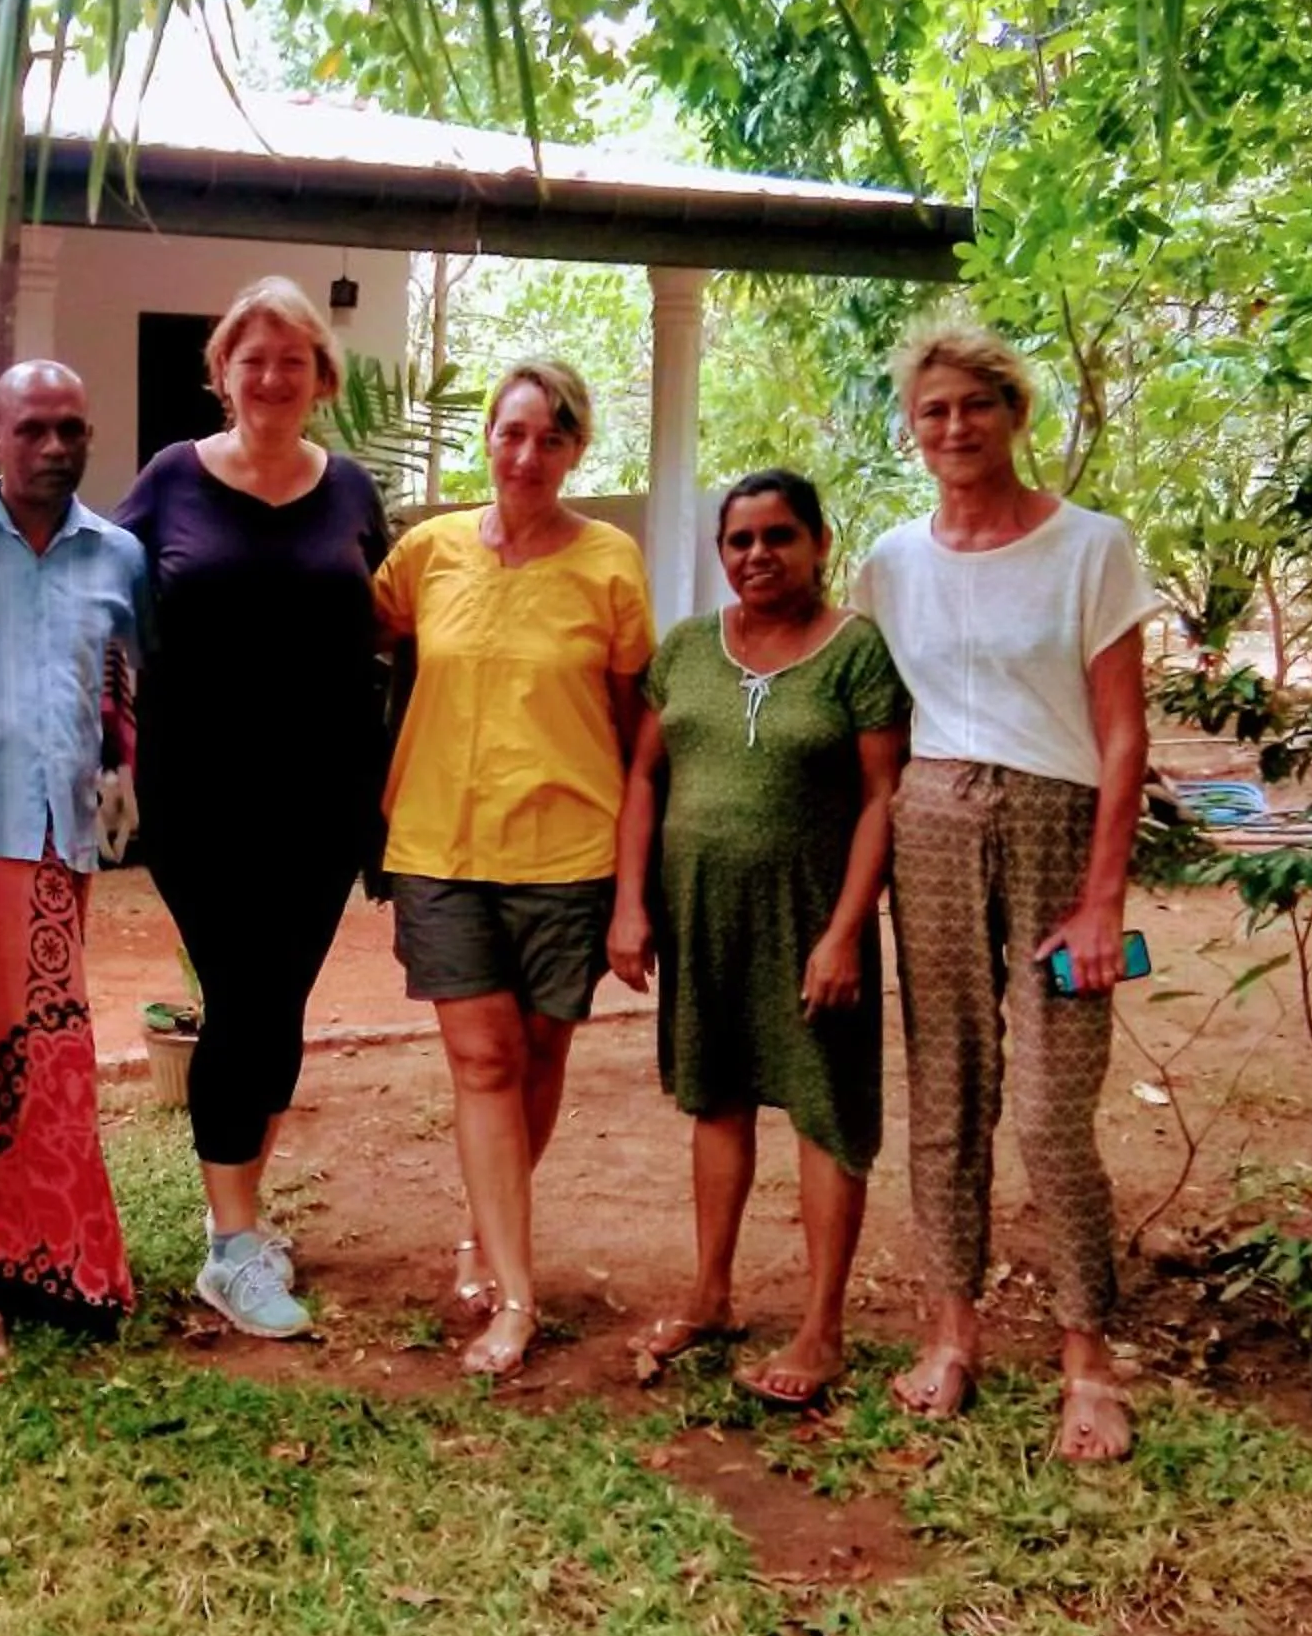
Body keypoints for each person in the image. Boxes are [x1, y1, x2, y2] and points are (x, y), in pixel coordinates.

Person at [852, 325, 1163, 1462]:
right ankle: (951, 1333)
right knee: (946, 1097)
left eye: (975, 405)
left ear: (1015, 414)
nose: (955, 427)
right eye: (932, 411)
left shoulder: (1091, 548)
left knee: (1049, 1108)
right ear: (912, 429)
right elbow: (873, 726)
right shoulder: (891, 564)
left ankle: (1087, 1356)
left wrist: (1103, 897)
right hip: (931, 825)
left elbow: (1123, 736)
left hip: (1056, 828)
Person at [113, 277, 391, 1341]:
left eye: (292, 360)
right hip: (202, 792)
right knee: (242, 994)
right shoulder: (171, 479)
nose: (272, 377)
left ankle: (239, 1214)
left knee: (279, 1006)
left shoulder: (351, 489)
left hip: (324, 795)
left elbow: (388, 622)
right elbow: (100, 597)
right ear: (222, 374)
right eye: (252, 358)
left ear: (322, 378)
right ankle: (231, 1248)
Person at [372, 361, 653, 1376]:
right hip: (438, 845)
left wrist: (636, 882)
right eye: (513, 433)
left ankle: (482, 1236)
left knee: (537, 1060)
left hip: (569, 850)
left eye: (551, 438)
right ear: (487, 438)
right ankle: (519, 1298)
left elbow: (635, 726)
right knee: (485, 1062)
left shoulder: (610, 562)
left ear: (576, 450)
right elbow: (348, 635)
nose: (528, 456)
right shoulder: (429, 552)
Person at [612, 469, 907, 1408]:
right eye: (739, 541)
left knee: (825, 1110)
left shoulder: (856, 654)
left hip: (811, 919)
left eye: (780, 536)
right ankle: (711, 1295)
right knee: (717, 1098)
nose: (758, 555)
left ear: (819, 544)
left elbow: (882, 797)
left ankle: (822, 1328)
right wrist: (631, 904)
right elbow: (644, 778)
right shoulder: (688, 649)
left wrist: (847, 932)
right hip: (702, 915)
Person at [0, 361, 146, 1357]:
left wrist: (123, 771)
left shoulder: (118, 556)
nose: (54, 447)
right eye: (34, 428)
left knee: (54, 1061)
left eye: (71, 429)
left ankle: (61, 1256)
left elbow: (132, 681)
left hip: (61, 847)